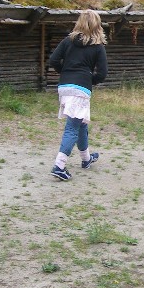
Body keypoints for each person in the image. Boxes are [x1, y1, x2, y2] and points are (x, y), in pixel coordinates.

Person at [48, 10, 108, 181]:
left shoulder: (68, 41)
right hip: (80, 89)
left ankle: (86, 159)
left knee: (81, 123)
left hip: (65, 87)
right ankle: (59, 166)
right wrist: (89, 80)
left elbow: (53, 60)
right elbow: (103, 73)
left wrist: (65, 73)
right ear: (98, 25)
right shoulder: (98, 47)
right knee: (72, 127)